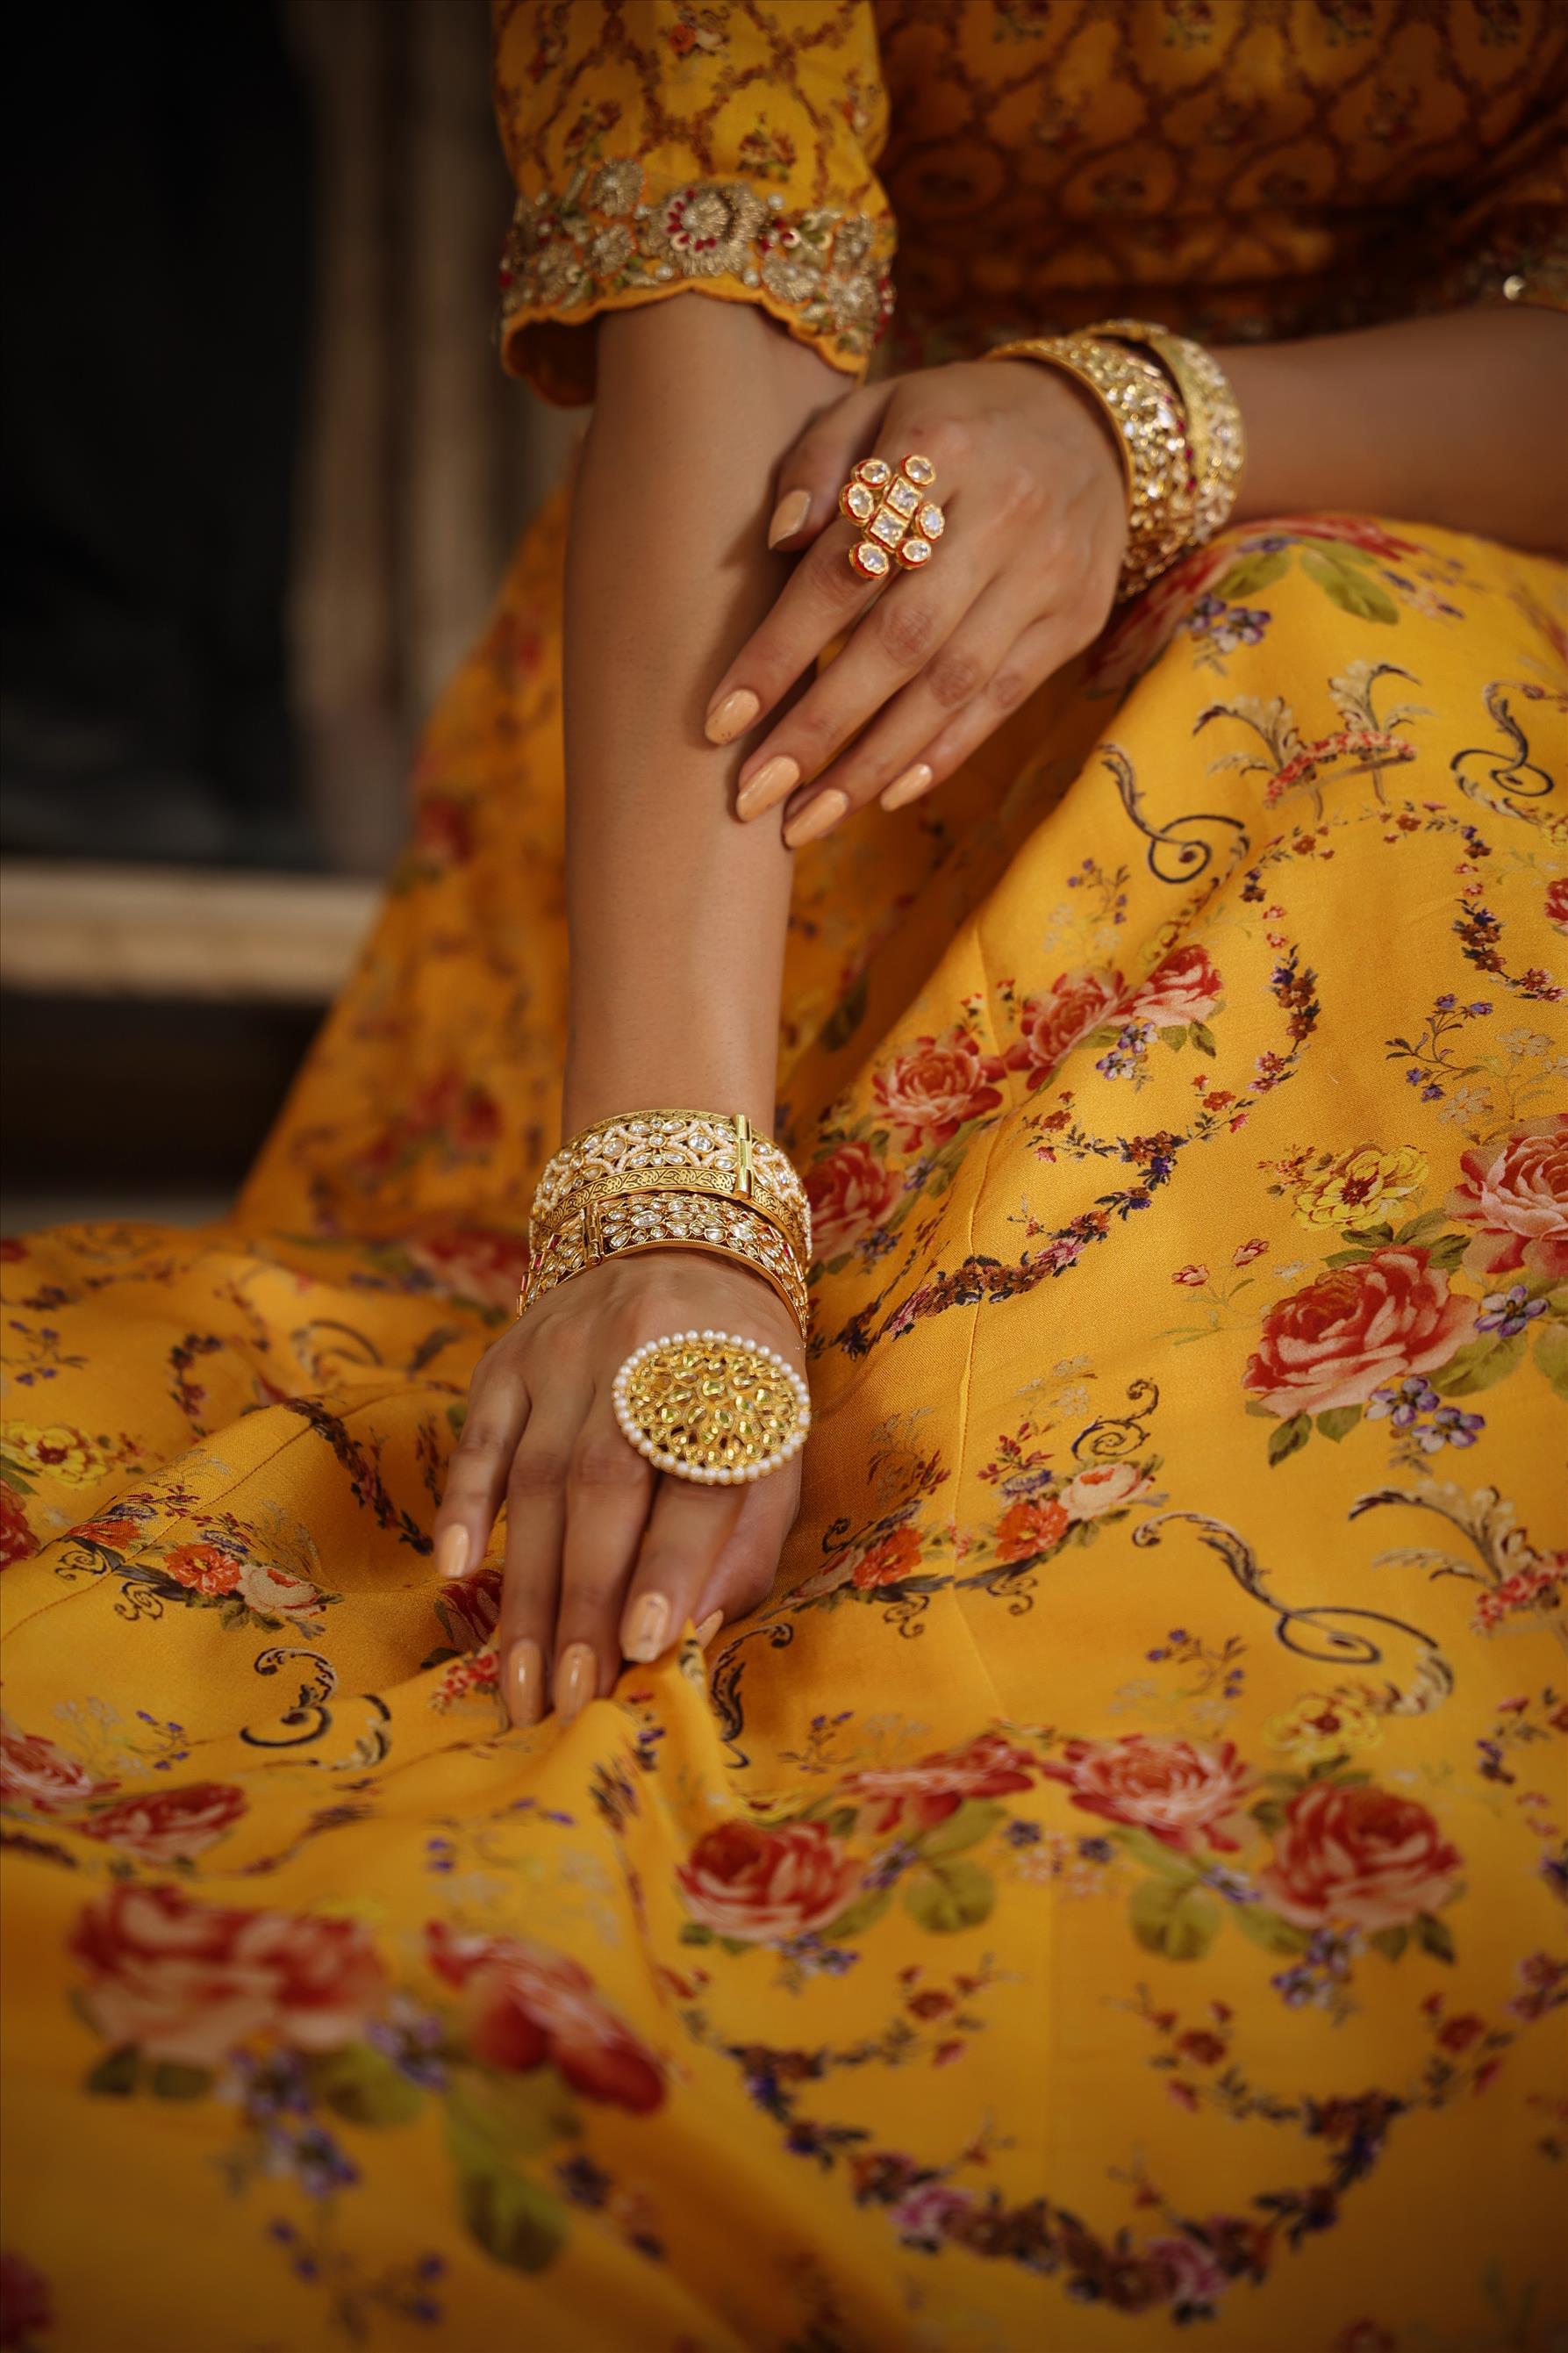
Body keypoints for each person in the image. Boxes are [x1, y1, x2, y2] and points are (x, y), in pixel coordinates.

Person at [2, 4, 1565, 2347]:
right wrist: (664, 1204)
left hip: (1424, 663)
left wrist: (1136, 434)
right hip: (790, 686)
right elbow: (706, 297)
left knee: (1351, 672)